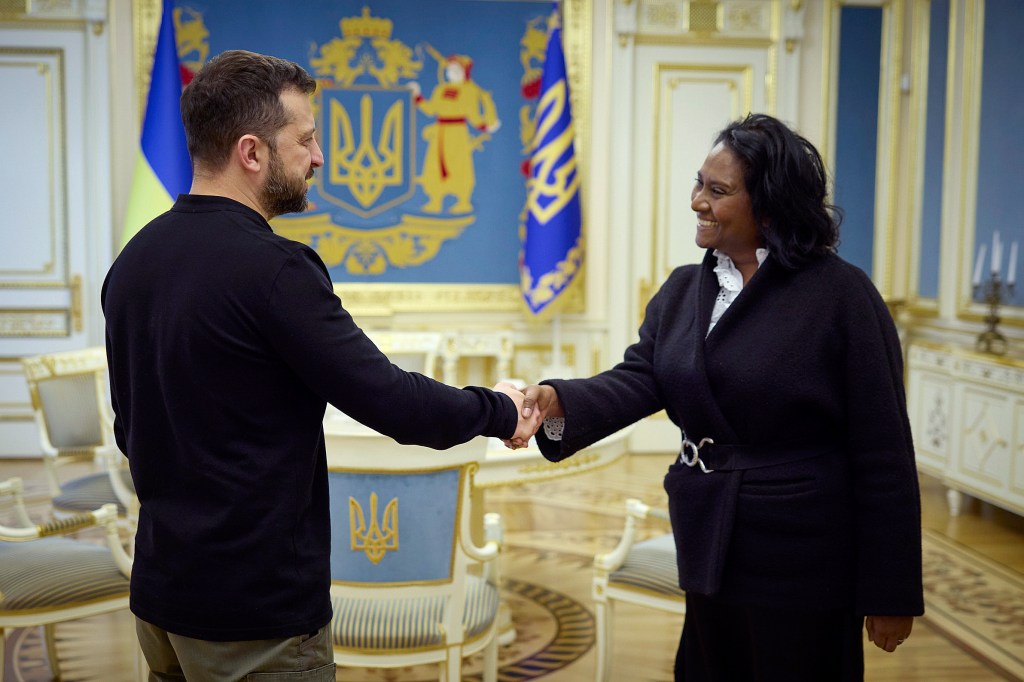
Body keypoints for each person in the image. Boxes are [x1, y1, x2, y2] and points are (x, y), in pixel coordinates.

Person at [102, 49, 538, 681]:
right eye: (305, 138)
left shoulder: (133, 262)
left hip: (161, 600)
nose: (319, 155)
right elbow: (394, 404)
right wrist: (500, 407)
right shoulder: (277, 269)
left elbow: (129, 429)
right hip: (256, 616)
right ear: (252, 153)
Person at [513, 113, 924, 680]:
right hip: (709, 534)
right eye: (698, 183)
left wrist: (890, 587)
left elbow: (885, 452)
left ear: (771, 205)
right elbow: (641, 378)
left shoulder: (842, 295)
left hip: (802, 553)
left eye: (718, 190)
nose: (696, 201)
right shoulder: (684, 288)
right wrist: (558, 400)